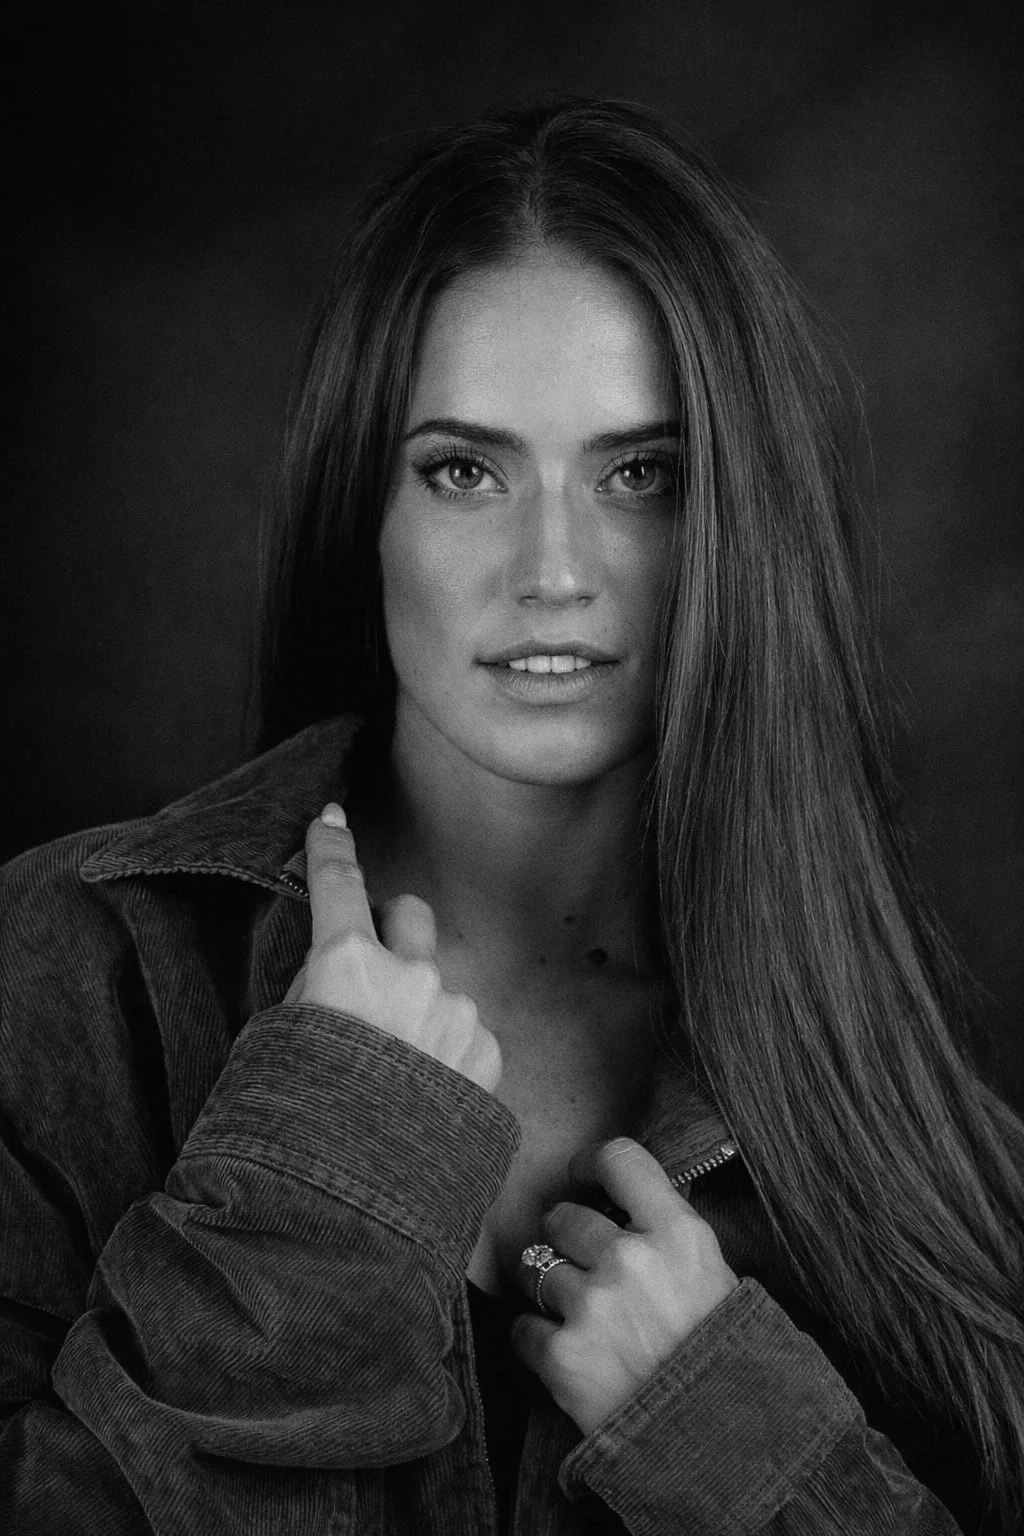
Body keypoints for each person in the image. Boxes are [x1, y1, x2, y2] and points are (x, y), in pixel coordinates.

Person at [1, 98, 1022, 1536]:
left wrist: (739, 1442)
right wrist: (315, 1187)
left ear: (740, 524)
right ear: (366, 510)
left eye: (640, 476)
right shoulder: (64, 971)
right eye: (466, 471)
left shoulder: (908, 1119)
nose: (554, 567)